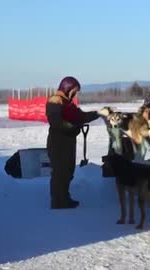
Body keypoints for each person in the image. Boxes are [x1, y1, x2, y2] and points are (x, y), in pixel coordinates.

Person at [45, 76, 101, 209]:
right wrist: (73, 126)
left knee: (68, 170)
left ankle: (64, 196)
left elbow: (81, 116)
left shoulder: (68, 103)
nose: (75, 94)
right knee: (60, 171)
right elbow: (56, 121)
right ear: (67, 88)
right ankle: (58, 201)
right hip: (58, 141)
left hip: (68, 141)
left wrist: (98, 113)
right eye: (74, 91)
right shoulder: (55, 101)